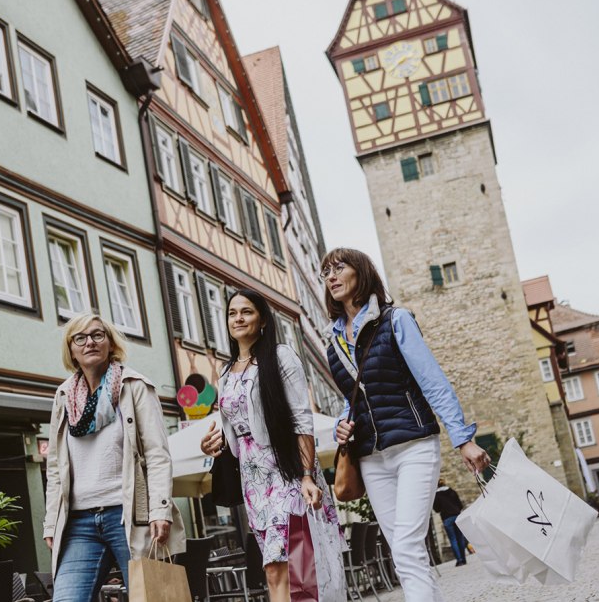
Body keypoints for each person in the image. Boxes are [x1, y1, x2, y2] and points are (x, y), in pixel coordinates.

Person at [322, 247, 491, 601]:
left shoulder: (395, 320)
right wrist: (342, 422)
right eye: (326, 271)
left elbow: (433, 382)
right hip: (371, 458)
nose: (331, 276)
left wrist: (463, 440)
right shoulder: (333, 341)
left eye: (340, 267)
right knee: (403, 550)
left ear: (362, 272)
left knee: (407, 545)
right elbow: (350, 398)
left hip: (414, 446)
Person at [201, 289, 345, 602]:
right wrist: (215, 443)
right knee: (272, 567)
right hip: (252, 479)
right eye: (232, 313)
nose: (238, 318)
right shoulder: (225, 372)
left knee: (294, 561)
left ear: (262, 319)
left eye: (247, 312)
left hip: (286, 471)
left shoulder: (280, 357)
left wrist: (306, 474)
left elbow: (301, 420)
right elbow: (234, 428)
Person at [42, 315, 185, 602]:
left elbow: (157, 453)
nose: (90, 342)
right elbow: (56, 466)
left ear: (110, 343)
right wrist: (50, 521)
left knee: (151, 597)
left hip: (129, 515)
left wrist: (160, 510)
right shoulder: (63, 396)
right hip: (79, 522)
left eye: (98, 335)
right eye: (79, 338)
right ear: (71, 350)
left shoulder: (134, 386)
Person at [432, 479, 469, 566]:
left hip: (447, 518)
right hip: (457, 516)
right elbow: (460, 505)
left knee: (453, 539)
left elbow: (437, 509)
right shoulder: (452, 491)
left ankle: (459, 560)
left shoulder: (436, 495)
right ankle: (464, 559)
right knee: (460, 538)